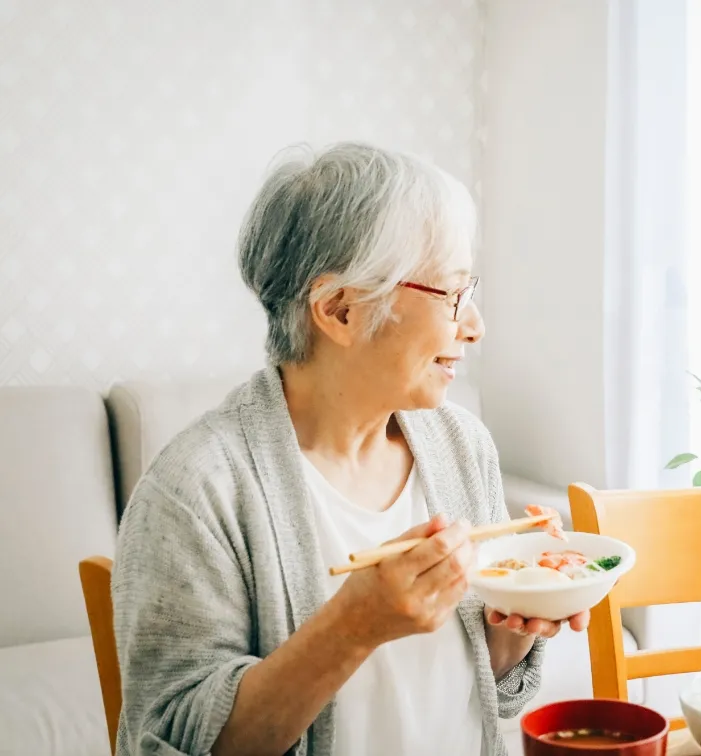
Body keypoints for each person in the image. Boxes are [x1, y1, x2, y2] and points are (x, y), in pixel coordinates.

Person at [111, 142, 586, 756]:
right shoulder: (198, 489)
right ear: (340, 310)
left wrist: (517, 624)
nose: (476, 325)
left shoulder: (462, 447)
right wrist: (351, 628)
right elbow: (173, 741)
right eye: (453, 296)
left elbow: (482, 691)